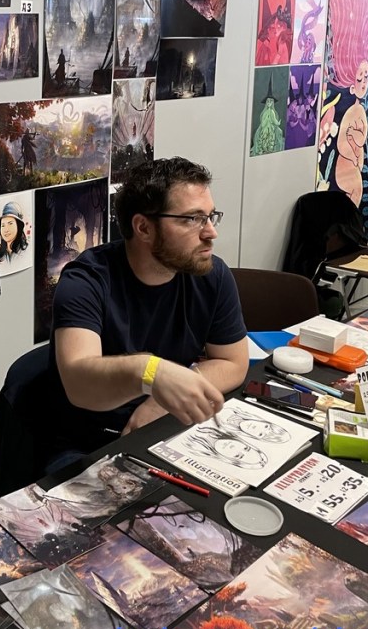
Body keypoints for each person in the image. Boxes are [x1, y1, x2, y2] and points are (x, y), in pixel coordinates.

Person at [47, 156, 248, 466]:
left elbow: (233, 362)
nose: (210, 232)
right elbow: (78, 384)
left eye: (210, 217)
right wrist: (151, 373)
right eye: (192, 219)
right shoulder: (86, 281)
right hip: (89, 442)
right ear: (143, 227)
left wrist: (160, 401)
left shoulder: (211, 275)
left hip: (165, 429)